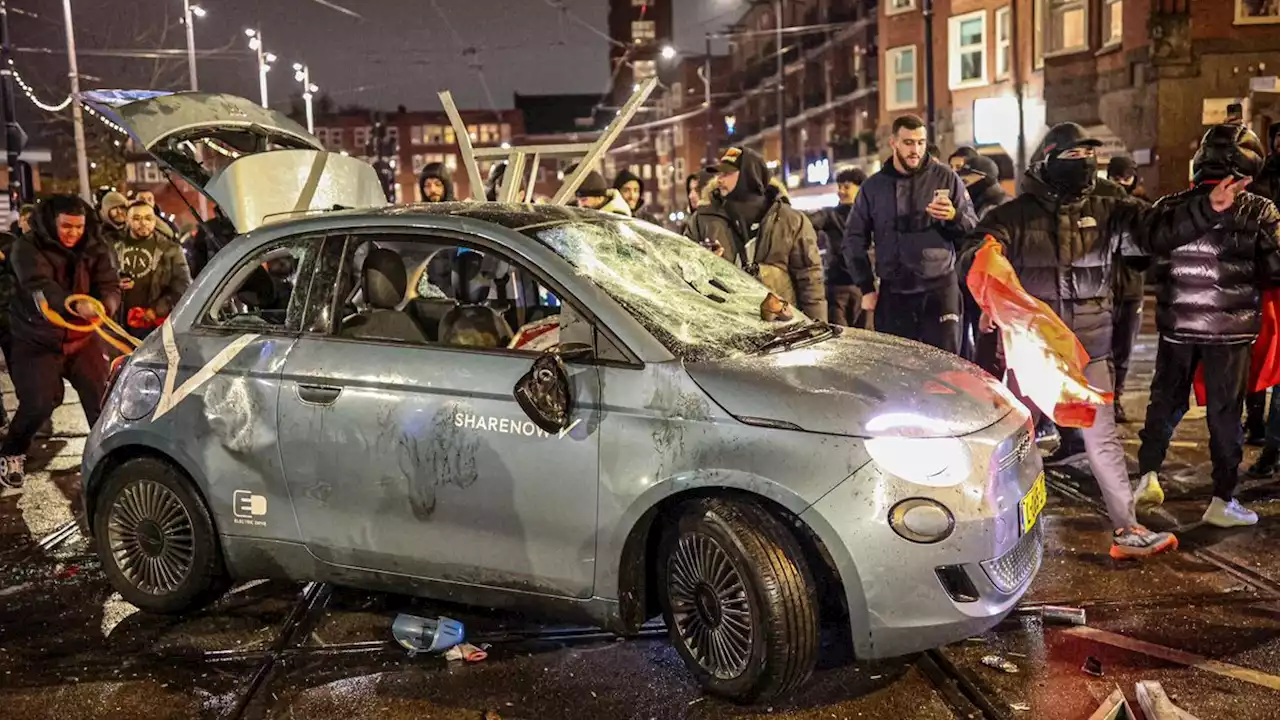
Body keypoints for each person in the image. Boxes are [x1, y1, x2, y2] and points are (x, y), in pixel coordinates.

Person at [961, 121, 1253, 559]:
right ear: (1049, 159)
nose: (1085, 164)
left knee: (1103, 441)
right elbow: (978, 253)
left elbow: (1157, 228)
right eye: (1074, 156)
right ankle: (991, 534)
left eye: (1089, 156)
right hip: (1034, 353)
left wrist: (1207, 209)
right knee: (1014, 442)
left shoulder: (1112, 208)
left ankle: (1128, 527)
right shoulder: (1013, 216)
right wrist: (991, 295)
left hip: (1091, 350)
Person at [1133, 124, 1279, 527]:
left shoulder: (1170, 205)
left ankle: (1147, 475)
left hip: (1177, 325)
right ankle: (1222, 499)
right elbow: (1275, 268)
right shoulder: (1260, 210)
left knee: (1165, 400)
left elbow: (1149, 254)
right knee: (1225, 413)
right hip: (1231, 332)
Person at [1, 195, 121, 490]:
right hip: (35, 338)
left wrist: (106, 303)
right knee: (39, 403)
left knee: (102, 400)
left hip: (82, 339)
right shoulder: (25, 247)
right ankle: (11, 451)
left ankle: (109, 461)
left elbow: (109, 283)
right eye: (66, 226)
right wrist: (72, 304)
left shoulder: (96, 245)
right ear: (52, 223)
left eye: (78, 226)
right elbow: (38, 285)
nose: (73, 233)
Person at [844, 114, 977, 353]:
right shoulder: (873, 187)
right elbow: (853, 239)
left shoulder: (946, 177)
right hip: (894, 293)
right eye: (908, 142)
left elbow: (972, 228)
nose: (915, 149)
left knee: (946, 368)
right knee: (897, 370)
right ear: (893, 143)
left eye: (921, 142)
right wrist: (865, 287)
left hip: (939, 290)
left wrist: (954, 216)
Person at [685, 146, 827, 322]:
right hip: (725, 327)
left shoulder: (791, 220)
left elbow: (810, 281)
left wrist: (817, 327)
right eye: (719, 174)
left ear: (749, 176)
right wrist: (705, 262)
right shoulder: (703, 219)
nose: (719, 179)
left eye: (727, 173)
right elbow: (684, 272)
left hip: (783, 330)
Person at [1105, 155, 1151, 424]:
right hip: (1104, 289)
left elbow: (1151, 250)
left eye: (1127, 178)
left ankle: (1116, 397)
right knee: (1101, 350)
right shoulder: (1099, 207)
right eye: (1116, 178)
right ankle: (1102, 399)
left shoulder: (1142, 209)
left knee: (1123, 348)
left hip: (1132, 289)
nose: (1122, 184)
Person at [112, 201, 192, 339]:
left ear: (155, 220)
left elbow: (182, 286)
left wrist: (156, 310)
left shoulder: (171, 249)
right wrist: (114, 282)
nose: (143, 223)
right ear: (127, 220)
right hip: (118, 323)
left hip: (154, 325)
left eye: (148, 218)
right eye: (137, 218)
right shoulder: (112, 245)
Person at [808, 167, 867, 327]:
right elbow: (807, 223)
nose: (841, 191)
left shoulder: (871, 215)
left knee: (867, 340)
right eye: (839, 187)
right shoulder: (830, 215)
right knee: (841, 336)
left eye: (846, 187)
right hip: (837, 286)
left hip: (865, 288)